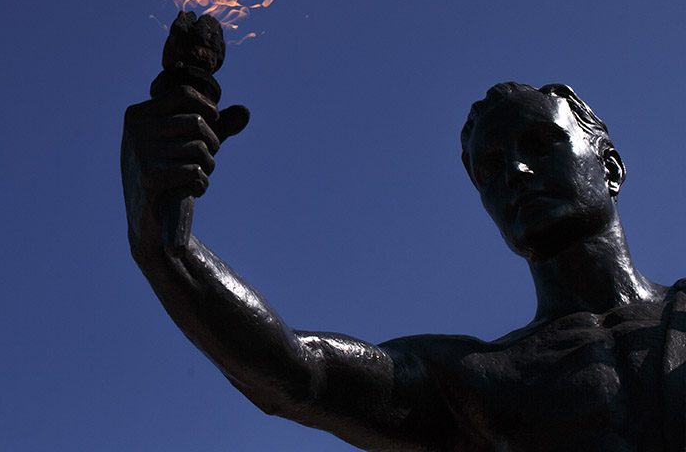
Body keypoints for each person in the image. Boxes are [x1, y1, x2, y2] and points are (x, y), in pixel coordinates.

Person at [121, 81, 684, 451]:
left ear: (609, 168)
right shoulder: (480, 377)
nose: (513, 170)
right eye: (488, 170)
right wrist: (167, 249)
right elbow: (296, 372)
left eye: (540, 144)